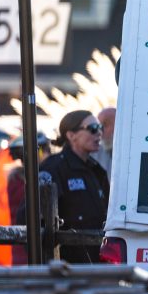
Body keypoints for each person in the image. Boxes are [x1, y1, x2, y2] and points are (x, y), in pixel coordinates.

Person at [39, 110, 109, 263]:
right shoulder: (53, 168)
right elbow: (34, 218)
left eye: (100, 128)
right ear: (71, 135)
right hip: (66, 266)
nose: (99, 134)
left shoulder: (96, 170)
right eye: (92, 128)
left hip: (98, 261)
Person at [6, 133, 51, 225]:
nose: (48, 153)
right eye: (45, 150)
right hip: (25, 231)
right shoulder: (19, 179)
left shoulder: (15, 177)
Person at [94, 106, 116, 175]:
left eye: (105, 125)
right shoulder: (93, 155)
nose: (100, 131)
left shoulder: (135, 153)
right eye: (98, 126)